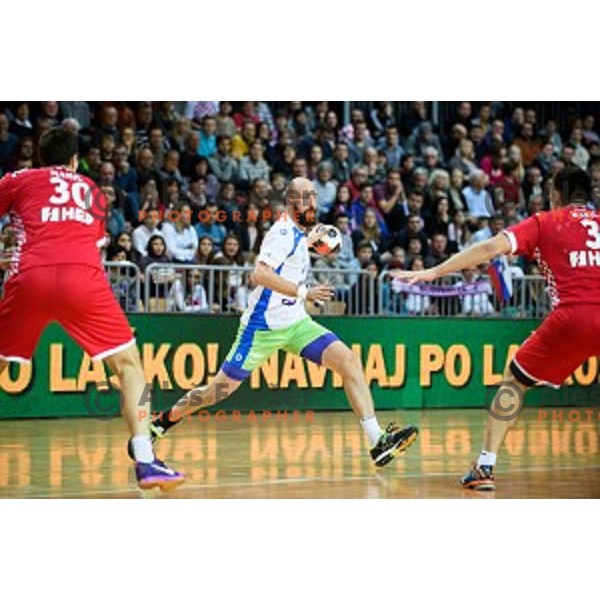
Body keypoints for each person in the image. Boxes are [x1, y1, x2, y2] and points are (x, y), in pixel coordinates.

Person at [148, 177, 418, 468]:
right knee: (217, 391)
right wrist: (304, 292)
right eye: (305, 198)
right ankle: (164, 420)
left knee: (348, 362)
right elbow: (260, 275)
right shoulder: (282, 232)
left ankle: (377, 439)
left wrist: (315, 241)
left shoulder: (300, 233)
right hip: (261, 328)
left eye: (314, 196)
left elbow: (296, 253)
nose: (312, 202)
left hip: (296, 322)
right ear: (291, 202)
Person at [391, 166, 600, 491]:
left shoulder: (544, 221)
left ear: (557, 194)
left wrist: (434, 272)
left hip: (574, 316)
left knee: (514, 383)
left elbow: (489, 249)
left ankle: (485, 466)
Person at [0, 127, 184, 490]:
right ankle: (146, 460)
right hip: (83, 278)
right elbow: (90, 242)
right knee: (130, 366)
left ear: (40, 158)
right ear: (73, 160)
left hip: (30, 275)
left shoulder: (18, 179)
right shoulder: (92, 190)